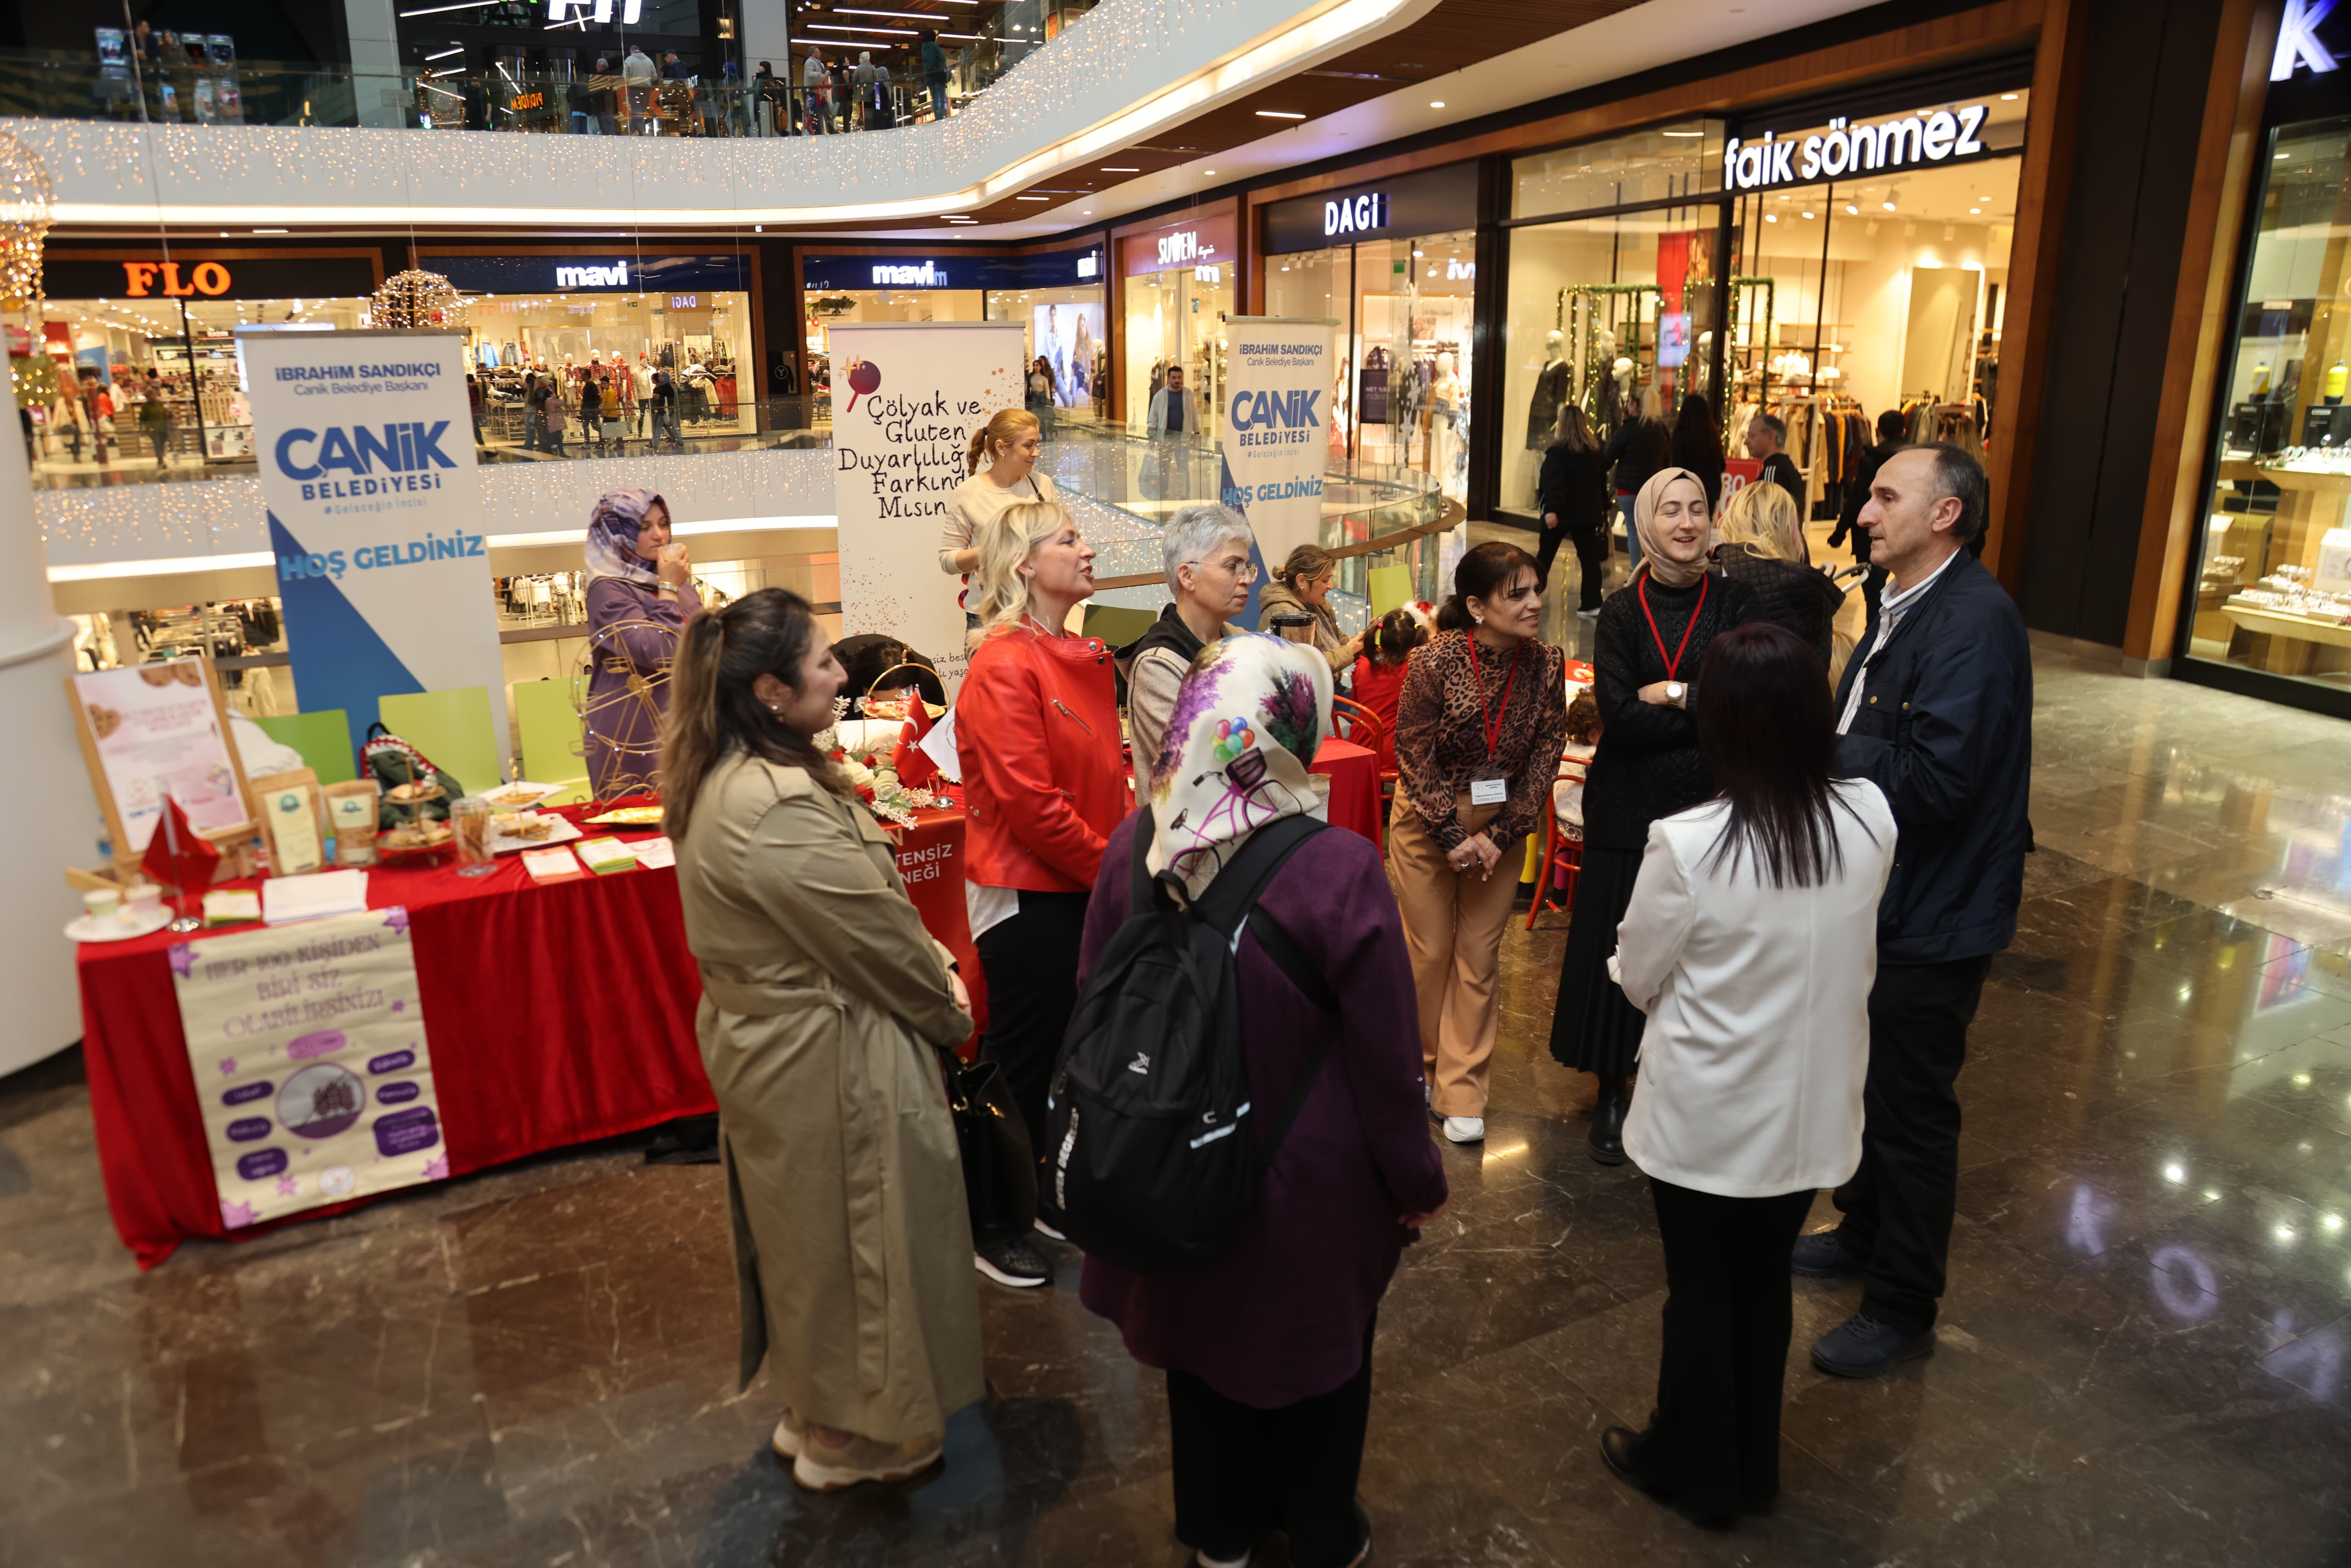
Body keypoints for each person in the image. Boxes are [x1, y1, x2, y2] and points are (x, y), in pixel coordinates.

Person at [1080, 633, 1445, 1568]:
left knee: (1198, 1351)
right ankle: (1320, 1527)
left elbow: (1095, 999)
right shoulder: (1337, 866)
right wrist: (1414, 1179)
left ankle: (1217, 1530)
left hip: (1167, 1156)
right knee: (1317, 1359)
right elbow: (1385, 1055)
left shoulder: (1133, 844)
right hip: (1307, 1175)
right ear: (1292, 725)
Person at [663, 586, 982, 1492]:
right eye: (823, 663)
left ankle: (818, 1411)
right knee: (855, 1243)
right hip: (826, 1059)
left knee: (807, 1242)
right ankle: (865, 1434)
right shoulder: (773, 803)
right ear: (769, 689)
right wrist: (950, 1008)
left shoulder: (730, 776)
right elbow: (874, 938)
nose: (842, 675)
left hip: (784, 1050)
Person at [1599, 621, 1895, 1525]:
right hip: (1810, 1112)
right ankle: (1750, 1466)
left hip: (1705, 1113)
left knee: (1699, 1290)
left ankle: (1691, 1470)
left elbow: (1637, 974)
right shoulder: (1869, 815)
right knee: (1761, 1287)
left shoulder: (1688, 843)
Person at [1794, 442, 2033, 1378]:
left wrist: (1817, 745)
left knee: (1912, 1108)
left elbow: (1935, 779)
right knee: (1867, 1082)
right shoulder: (1899, 599)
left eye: (1886, 496)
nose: (1862, 511)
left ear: (1945, 515)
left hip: (1936, 915)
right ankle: (1861, 1230)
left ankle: (1901, 1301)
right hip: (1886, 902)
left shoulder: (1970, 621)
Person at [1549, 468, 1753, 1165]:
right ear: (1647, 522)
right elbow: (1621, 718)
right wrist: (1704, 708)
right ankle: (1613, 1087)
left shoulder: (1733, 600)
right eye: (1671, 509)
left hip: (1712, 803)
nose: (1687, 521)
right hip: (1629, 805)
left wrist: (1671, 691)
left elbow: (1741, 696)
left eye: (1699, 507)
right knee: (1622, 943)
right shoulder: (1621, 610)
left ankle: (1686, 1088)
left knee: (1701, 954)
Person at [956, 501, 1127, 1287]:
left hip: (1079, 879)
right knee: (1021, 1061)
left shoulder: (1072, 651)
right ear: (1025, 563)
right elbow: (1029, 805)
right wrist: (1114, 869)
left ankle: (1034, 1197)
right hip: (1025, 891)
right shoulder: (1004, 662)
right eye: (1069, 540)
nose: (1088, 549)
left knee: (1060, 1053)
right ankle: (990, 1219)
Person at [1391, 541, 1568, 1144]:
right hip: (1427, 816)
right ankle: (1417, 1064)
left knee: (1479, 956)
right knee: (1430, 950)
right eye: (1516, 593)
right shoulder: (1433, 661)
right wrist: (1449, 833)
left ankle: (1462, 1088)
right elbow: (1412, 751)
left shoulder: (1546, 662)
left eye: (1535, 589)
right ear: (1475, 604)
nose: (1534, 603)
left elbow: (1547, 754)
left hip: (1502, 823)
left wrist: (1500, 834)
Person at [1120, 502, 1254, 773]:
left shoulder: (1241, 642)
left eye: (1247, 567)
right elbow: (1204, 764)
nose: (1246, 580)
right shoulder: (1157, 665)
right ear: (1187, 576)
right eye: (1232, 566)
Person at [583, 489, 697, 798]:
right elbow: (661, 652)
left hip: (683, 721)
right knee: (639, 831)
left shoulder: (671, 581)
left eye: (664, 523)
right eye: (644, 527)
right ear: (617, 533)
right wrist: (670, 587)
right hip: (632, 731)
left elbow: (703, 644)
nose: (660, 535)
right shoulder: (607, 591)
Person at [1713, 479, 1844, 668]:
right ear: (1790, 528)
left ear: (1731, 521)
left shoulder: (1708, 577)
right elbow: (1817, 676)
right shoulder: (1812, 589)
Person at [942, 409, 1057, 615]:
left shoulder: (1043, 485)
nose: (1036, 452)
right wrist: (995, 547)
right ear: (1001, 447)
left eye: (1037, 444)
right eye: (1028, 445)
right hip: (989, 617)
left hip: (1042, 612)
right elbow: (948, 561)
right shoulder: (968, 493)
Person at [1535, 405, 1612, 616]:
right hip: (1586, 514)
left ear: (1562, 425)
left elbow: (1552, 484)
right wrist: (1604, 506)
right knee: (1589, 559)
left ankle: (1528, 597)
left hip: (1559, 515)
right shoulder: (1595, 452)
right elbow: (1600, 482)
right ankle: (1592, 603)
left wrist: (1551, 510)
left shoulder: (1557, 452)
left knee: (1544, 558)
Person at [1830, 410, 1907, 608]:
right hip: (1905, 531)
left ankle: (1874, 634)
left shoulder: (1870, 461)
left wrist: (1840, 532)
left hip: (1871, 536)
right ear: (1904, 432)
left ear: (1877, 430)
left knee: (1873, 597)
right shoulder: (1912, 461)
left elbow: (1856, 500)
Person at [1256, 544, 1365, 674]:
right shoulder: (1286, 615)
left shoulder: (1321, 606)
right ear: (1302, 581)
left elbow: (1340, 642)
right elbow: (1306, 668)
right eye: (1325, 581)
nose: (1331, 586)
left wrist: (1366, 640)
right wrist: (1349, 650)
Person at [1348, 608, 1426, 776]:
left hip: (1360, 747)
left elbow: (1357, 701)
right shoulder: (1416, 669)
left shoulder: (1362, 666)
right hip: (1398, 752)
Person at [1603, 386, 1673, 568]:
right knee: (1651, 533)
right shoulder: (1660, 430)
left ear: (1633, 405)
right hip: (1653, 491)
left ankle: (1636, 574)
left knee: (1634, 532)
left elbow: (1608, 459)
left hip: (1628, 491)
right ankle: (1654, 573)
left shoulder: (1627, 430)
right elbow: (1667, 462)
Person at [1743, 411, 1808, 528]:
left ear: (1771, 437)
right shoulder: (1785, 465)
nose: (1746, 442)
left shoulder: (1773, 471)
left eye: (1752, 436)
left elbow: (1767, 519)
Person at [1551, 690, 1600, 843]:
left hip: (1560, 821)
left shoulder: (1565, 748)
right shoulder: (1594, 757)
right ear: (1593, 735)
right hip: (1585, 829)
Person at [1670, 392, 1726, 517]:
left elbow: (1678, 468)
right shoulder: (1713, 437)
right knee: (1705, 526)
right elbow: (1722, 466)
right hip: (1711, 490)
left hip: (1688, 491)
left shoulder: (1681, 437)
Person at [1148, 363, 1197, 436]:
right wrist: (1151, 436)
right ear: (1169, 379)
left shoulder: (1189, 394)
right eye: (1174, 378)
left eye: (1179, 377)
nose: (1177, 380)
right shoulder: (1160, 396)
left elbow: (1194, 415)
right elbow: (1153, 417)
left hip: (1184, 438)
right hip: (1165, 438)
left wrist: (1197, 432)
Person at [622, 44, 656, 133]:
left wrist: (630, 80)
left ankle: (632, 131)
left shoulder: (629, 60)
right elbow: (655, 77)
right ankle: (637, 131)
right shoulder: (649, 61)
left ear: (632, 52)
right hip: (646, 90)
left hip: (634, 89)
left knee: (636, 112)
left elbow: (624, 76)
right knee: (641, 112)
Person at [919, 28, 951, 119]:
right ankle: (943, 116)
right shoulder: (934, 47)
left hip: (930, 78)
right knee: (941, 97)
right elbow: (941, 59)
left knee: (935, 98)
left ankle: (938, 116)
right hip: (938, 77)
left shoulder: (924, 49)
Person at [801, 48, 831, 135]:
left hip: (820, 91)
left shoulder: (820, 64)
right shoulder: (810, 62)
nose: (820, 53)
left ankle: (823, 130)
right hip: (813, 91)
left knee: (822, 111)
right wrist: (820, 75)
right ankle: (819, 131)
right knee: (816, 112)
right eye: (818, 52)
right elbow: (809, 74)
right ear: (813, 53)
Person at [1026, 355, 1057, 436]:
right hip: (1034, 396)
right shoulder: (1031, 377)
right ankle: (1037, 432)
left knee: (1044, 415)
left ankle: (1044, 433)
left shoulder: (1044, 378)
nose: (1036, 367)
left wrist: (1048, 400)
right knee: (1036, 415)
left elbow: (1047, 390)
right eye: (1035, 365)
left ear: (1041, 367)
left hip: (1043, 396)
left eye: (1037, 365)